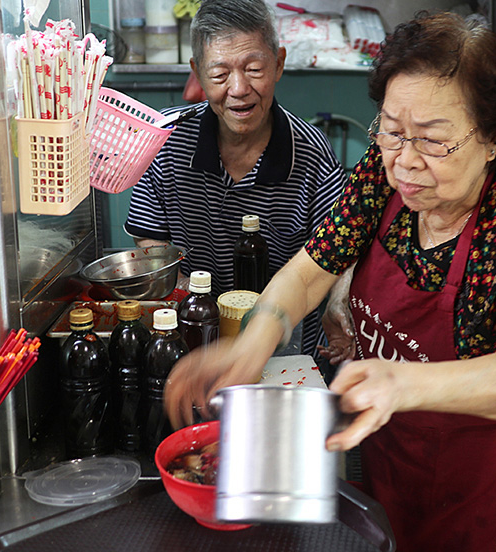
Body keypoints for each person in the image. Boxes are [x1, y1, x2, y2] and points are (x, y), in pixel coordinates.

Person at [165, 12, 496, 552]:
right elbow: (309, 272)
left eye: (431, 141)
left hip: (482, 469)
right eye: (392, 133)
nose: (405, 163)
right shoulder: (380, 180)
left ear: (492, 138)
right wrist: (252, 345)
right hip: (390, 443)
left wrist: (403, 384)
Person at [124, 0, 346, 355]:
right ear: (197, 72)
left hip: (287, 345)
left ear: (278, 64)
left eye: (254, 68)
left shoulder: (312, 152)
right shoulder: (166, 141)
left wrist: (339, 301)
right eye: (220, 73)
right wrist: (197, 303)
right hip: (196, 338)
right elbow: (150, 241)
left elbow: (339, 254)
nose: (239, 88)